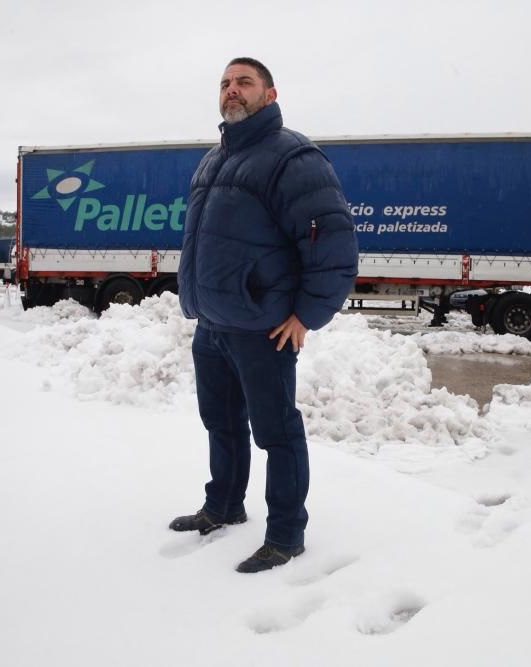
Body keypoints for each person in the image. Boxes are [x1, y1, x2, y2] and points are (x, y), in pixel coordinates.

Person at [172, 57, 359, 573]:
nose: (232, 90)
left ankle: (285, 536)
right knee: (221, 425)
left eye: (244, 82)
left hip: (263, 329)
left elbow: (335, 245)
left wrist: (305, 315)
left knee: (276, 434)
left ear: (269, 96)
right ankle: (224, 506)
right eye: (226, 83)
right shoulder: (214, 159)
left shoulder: (293, 157)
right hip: (213, 324)